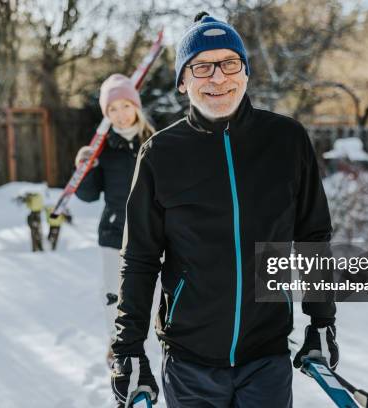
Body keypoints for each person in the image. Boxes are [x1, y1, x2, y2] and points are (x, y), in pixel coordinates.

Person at [110, 13, 338, 407]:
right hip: (189, 361)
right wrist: (127, 346)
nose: (218, 78)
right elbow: (140, 257)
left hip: (267, 355)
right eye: (202, 67)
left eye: (230, 63)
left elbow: (312, 236)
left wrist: (322, 321)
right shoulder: (160, 154)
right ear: (183, 81)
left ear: (246, 73)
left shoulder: (287, 141)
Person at [74, 73, 155, 364]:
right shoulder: (103, 148)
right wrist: (85, 168)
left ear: (136, 106)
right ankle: (116, 339)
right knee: (113, 291)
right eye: (112, 110)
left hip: (151, 231)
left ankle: (156, 333)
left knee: (156, 289)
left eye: (125, 106)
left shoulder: (155, 141)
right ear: (106, 114)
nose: (120, 115)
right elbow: (88, 195)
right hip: (114, 230)